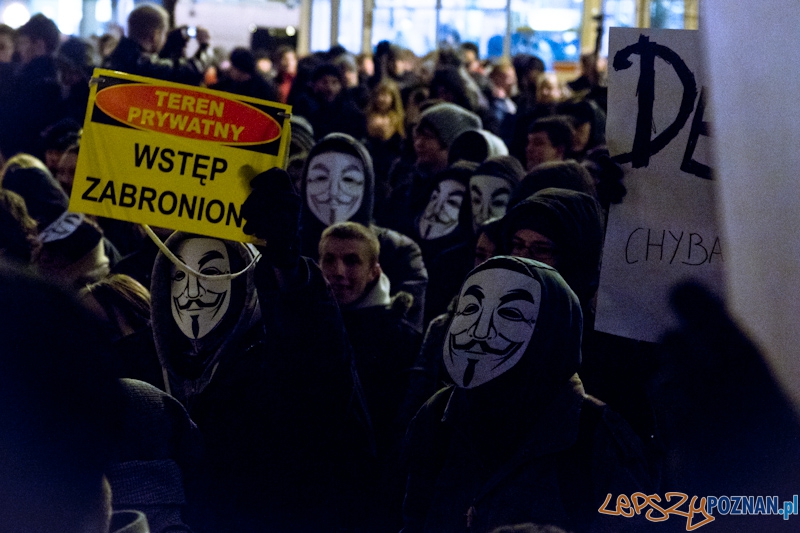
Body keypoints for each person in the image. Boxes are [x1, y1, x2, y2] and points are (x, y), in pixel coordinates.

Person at [150, 168, 372, 532]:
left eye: (210, 275)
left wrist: (287, 268)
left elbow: (319, 369)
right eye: (179, 277)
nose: (191, 293)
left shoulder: (267, 365)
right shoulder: (152, 373)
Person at [402, 256, 653, 533]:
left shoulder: (595, 436)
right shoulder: (438, 414)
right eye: (470, 308)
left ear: (552, 329)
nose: (479, 330)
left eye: (510, 314)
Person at [318, 221, 422, 532]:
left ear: (374, 271)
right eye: (329, 260)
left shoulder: (401, 340)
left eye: (352, 260)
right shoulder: (306, 328)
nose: (338, 271)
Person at [299, 133, 428, 329]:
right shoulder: (290, 248)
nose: (333, 192)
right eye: (320, 178)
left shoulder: (399, 252)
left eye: (349, 179)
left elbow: (406, 337)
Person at [104, 3, 212, 86]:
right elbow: (191, 71)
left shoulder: (119, 57)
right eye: (164, 34)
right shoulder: (143, 65)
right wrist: (205, 46)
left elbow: (159, 62)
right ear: (155, 35)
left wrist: (175, 40)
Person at [210, 47, 278, 102]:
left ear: (240, 68)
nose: (230, 69)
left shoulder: (262, 89)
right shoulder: (227, 84)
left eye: (233, 66)